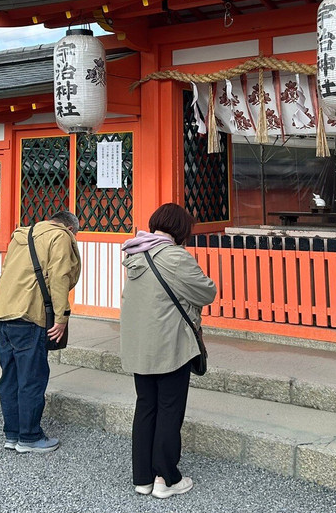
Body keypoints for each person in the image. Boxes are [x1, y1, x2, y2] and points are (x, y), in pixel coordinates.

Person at [120, 203, 217, 498]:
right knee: (169, 409)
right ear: (180, 229)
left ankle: (143, 478)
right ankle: (167, 477)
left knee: (146, 406)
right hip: (170, 345)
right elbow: (207, 291)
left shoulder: (135, 252)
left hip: (140, 346)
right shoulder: (175, 256)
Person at [0, 210, 81, 454]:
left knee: (10, 377)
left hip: (3, 314)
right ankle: (29, 436)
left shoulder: (21, 235)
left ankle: (12, 434)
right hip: (29, 315)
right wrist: (61, 317)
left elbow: (5, 271)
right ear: (70, 229)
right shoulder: (60, 237)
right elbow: (60, 277)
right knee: (32, 378)